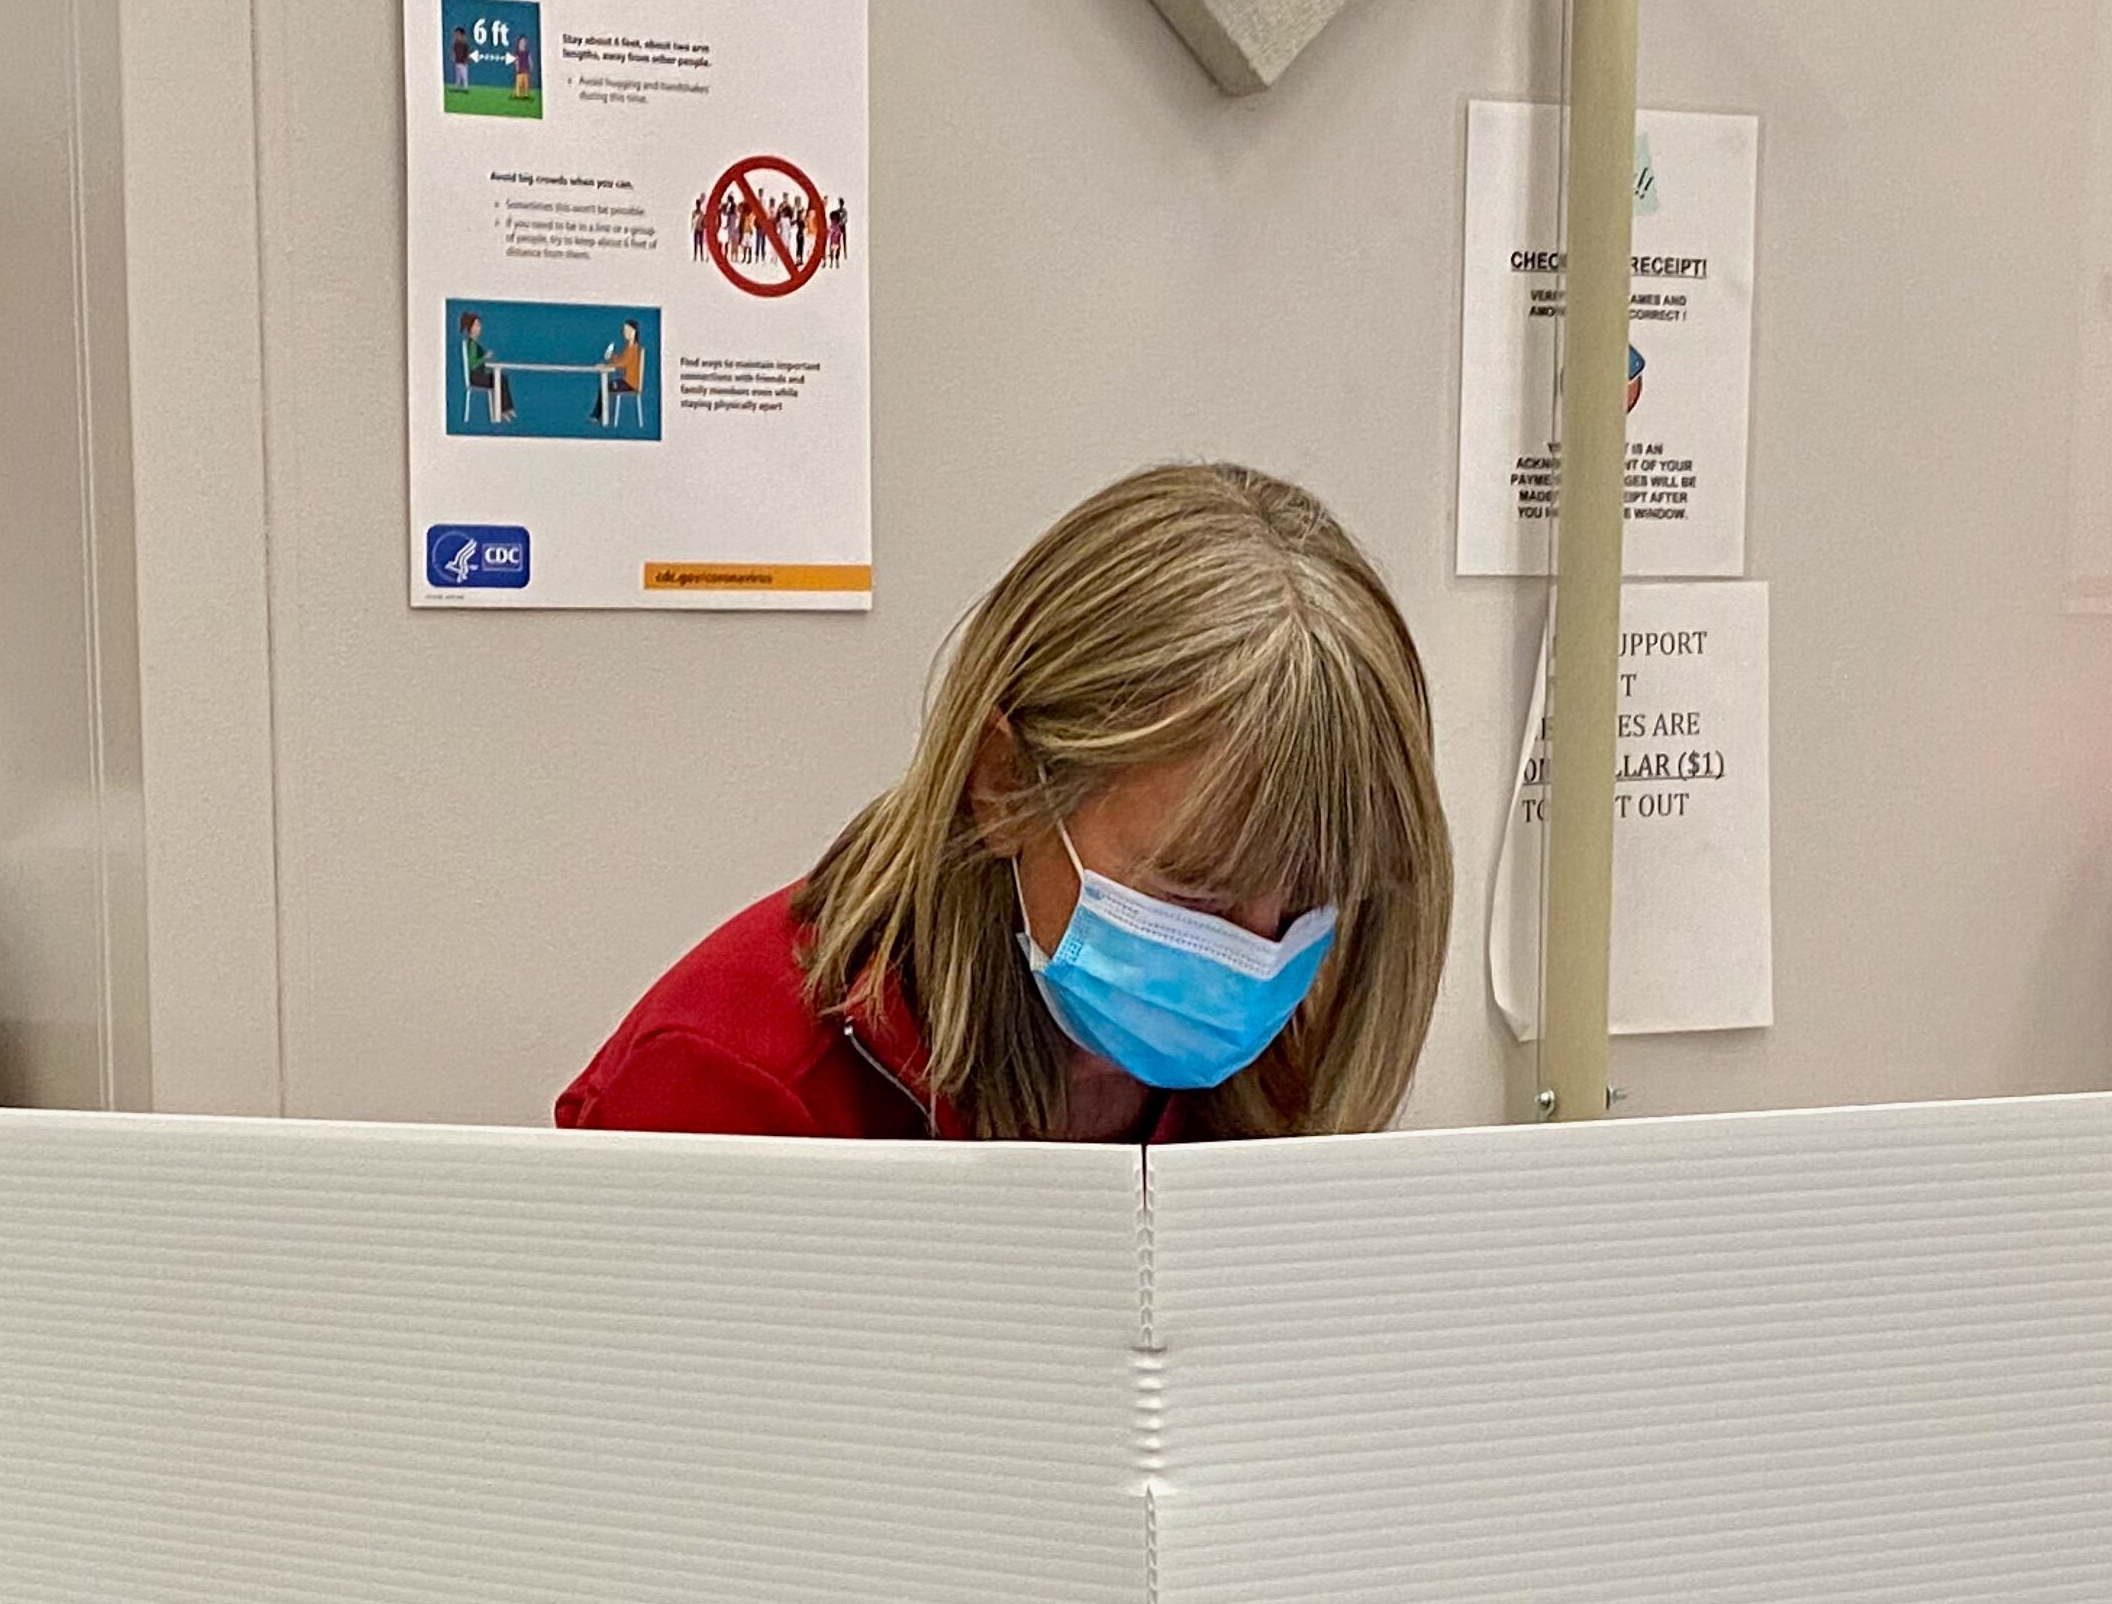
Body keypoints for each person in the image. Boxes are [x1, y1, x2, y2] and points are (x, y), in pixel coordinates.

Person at [559, 463, 1449, 1142]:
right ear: (1008, 785)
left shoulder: (1279, 1068)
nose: (1253, 961)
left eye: (1303, 904)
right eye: (1197, 893)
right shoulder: (728, 1088)